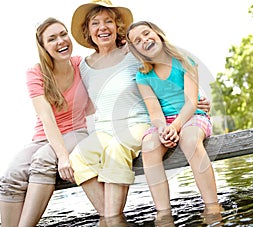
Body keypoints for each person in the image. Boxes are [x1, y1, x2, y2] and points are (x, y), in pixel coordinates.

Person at [69, 0, 212, 218]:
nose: (102, 27)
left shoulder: (133, 54)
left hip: (137, 124)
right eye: (95, 23)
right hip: (108, 129)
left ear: (117, 26)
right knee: (77, 157)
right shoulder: (82, 65)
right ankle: (109, 217)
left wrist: (196, 100)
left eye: (108, 21)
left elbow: (166, 68)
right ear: (88, 30)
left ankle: (113, 218)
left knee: (117, 149)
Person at [0, 17, 94, 227]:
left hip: (76, 131)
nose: (61, 41)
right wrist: (61, 156)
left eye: (63, 34)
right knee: (10, 176)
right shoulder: (36, 73)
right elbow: (46, 117)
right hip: (44, 136)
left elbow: (106, 63)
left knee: (43, 160)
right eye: (52, 38)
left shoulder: (81, 65)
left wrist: (63, 157)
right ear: (43, 47)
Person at [126, 21, 221, 214]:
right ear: (136, 50)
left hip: (192, 115)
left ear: (158, 34)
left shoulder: (184, 61)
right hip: (166, 122)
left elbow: (191, 102)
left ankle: (212, 205)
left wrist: (175, 126)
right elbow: (155, 113)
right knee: (149, 146)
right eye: (138, 41)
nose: (144, 40)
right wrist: (163, 130)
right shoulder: (142, 76)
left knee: (190, 139)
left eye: (146, 34)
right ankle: (163, 212)